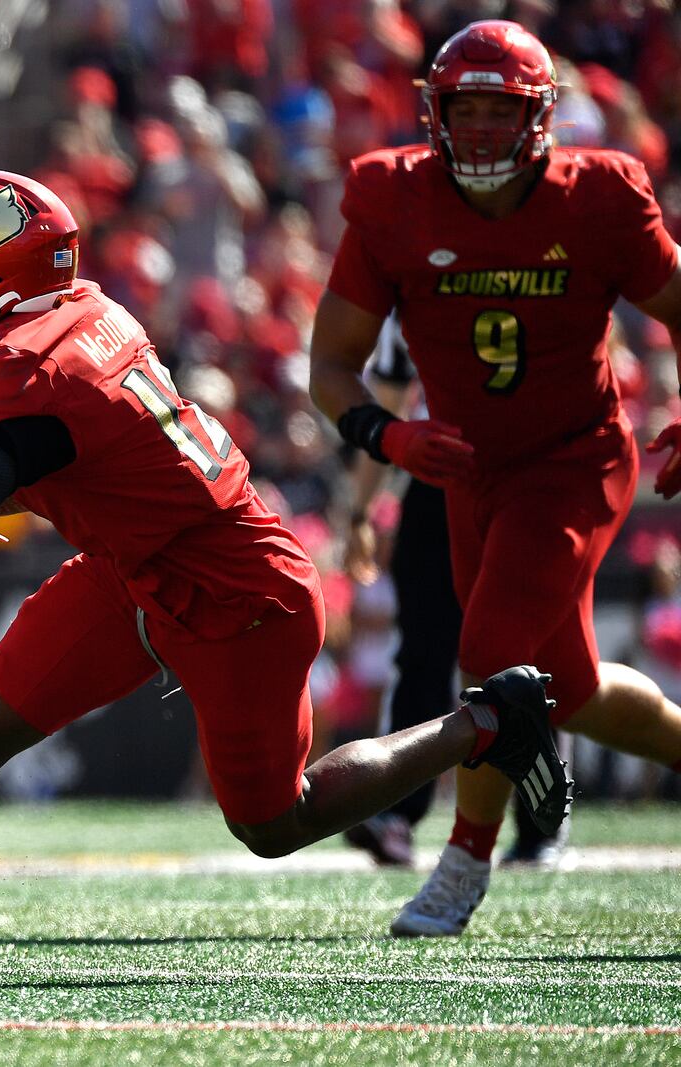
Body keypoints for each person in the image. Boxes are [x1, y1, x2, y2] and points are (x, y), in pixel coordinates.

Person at [0, 169, 567, 977]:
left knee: (276, 822)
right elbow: (65, 456)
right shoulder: (81, 310)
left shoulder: (22, 365)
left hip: (237, 591)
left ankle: (485, 724)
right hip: (135, 564)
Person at [309, 21, 681, 937]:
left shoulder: (597, 196)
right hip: (469, 473)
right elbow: (332, 366)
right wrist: (389, 440)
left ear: (540, 117)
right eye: (461, 110)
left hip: (574, 460)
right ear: (433, 113)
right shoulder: (392, 197)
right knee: (576, 690)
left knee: (491, 657)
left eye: (497, 111)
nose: (477, 131)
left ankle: (465, 861)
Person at [340, 316, 561, 869]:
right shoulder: (411, 286)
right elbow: (388, 404)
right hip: (437, 484)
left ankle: (543, 818)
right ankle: (396, 811)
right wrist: (361, 508)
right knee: (423, 650)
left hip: (524, 480)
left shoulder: (537, 266)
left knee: (527, 656)